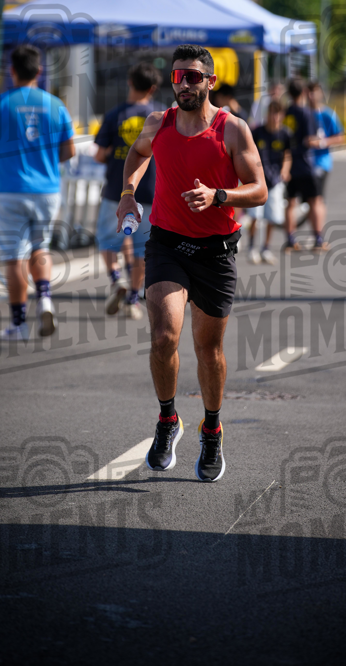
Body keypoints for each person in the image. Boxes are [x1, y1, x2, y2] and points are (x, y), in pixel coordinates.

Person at [115, 44, 267, 482]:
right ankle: (167, 421)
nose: (184, 84)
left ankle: (212, 429)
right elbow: (138, 155)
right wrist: (128, 193)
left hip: (216, 252)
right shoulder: (157, 123)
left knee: (208, 350)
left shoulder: (232, 130)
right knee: (164, 337)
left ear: (210, 82)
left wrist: (219, 195)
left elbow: (259, 190)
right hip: (165, 243)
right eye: (178, 77)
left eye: (193, 77)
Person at [0, 44, 75, 340]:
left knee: (13, 257)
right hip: (46, 190)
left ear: (12, 71)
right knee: (40, 246)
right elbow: (68, 151)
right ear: (40, 72)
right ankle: (44, 298)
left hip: (10, 190)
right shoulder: (56, 105)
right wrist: (44, 164)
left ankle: (19, 324)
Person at [94, 62, 163, 320]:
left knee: (107, 239)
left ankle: (115, 280)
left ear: (129, 82)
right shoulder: (161, 116)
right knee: (141, 250)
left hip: (117, 190)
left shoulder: (114, 115)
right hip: (150, 192)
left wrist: (116, 154)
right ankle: (133, 300)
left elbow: (100, 154)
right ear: (153, 88)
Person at [283, 77, 327, 252]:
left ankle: (290, 239)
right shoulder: (306, 113)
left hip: (288, 164)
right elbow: (309, 139)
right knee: (315, 201)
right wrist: (320, 140)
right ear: (303, 92)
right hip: (305, 164)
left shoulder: (285, 112)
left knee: (290, 202)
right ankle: (318, 239)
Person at [248, 100, 291, 264]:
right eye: (272, 112)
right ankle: (252, 247)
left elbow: (288, 154)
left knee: (271, 217)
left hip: (274, 181)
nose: (275, 116)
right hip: (257, 181)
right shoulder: (258, 131)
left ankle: (266, 248)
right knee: (255, 216)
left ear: (282, 116)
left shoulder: (285, 134)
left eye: (278, 113)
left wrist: (285, 171)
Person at [302, 79, 345, 228]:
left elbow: (341, 136)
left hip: (320, 162)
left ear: (320, 93)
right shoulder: (302, 113)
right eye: (309, 92)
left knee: (317, 199)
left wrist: (322, 142)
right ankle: (313, 232)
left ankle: (318, 236)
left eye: (314, 91)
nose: (311, 95)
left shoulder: (327, 114)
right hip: (302, 163)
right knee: (308, 200)